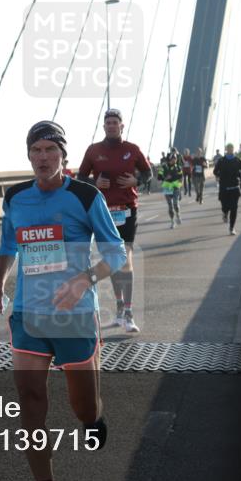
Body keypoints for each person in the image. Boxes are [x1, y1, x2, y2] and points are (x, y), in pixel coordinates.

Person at [0, 120, 126, 481]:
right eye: (36, 150)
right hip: (29, 315)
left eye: (50, 149)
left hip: (76, 317)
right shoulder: (15, 198)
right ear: (28, 155)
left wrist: (85, 279)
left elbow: (116, 252)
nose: (42, 157)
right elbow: (9, 243)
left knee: (83, 408)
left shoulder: (85, 196)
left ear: (63, 154)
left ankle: (95, 419)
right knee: (30, 402)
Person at [77, 108, 152, 333]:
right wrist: (94, 183)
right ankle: (120, 309)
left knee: (125, 258)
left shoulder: (132, 149)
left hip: (128, 210)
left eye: (115, 122)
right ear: (104, 127)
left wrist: (135, 180)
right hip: (103, 212)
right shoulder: (93, 150)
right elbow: (81, 178)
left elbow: (148, 174)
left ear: (122, 126)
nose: (111, 125)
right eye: (108, 122)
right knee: (111, 260)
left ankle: (128, 313)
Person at [213, 143, 241, 236]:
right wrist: (219, 175)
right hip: (224, 188)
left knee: (234, 208)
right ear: (226, 149)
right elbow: (215, 171)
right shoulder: (221, 160)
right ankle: (225, 213)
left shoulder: (238, 160)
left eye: (231, 148)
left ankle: (232, 228)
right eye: (228, 148)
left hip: (235, 187)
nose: (230, 149)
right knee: (225, 207)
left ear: (233, 149)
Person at [159, 152, 183, 228]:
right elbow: (159, 177)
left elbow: (181, 177)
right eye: (173, 159)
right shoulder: (164, 167)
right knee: (170, 206)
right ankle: (172, 221)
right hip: (167, 188)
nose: (174, 160)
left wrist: (180, 184)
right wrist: (165, 178)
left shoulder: (178, 167)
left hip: (176, 187)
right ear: (170, 159)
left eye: (175, 159)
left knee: (175, 203)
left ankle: (178, 215)